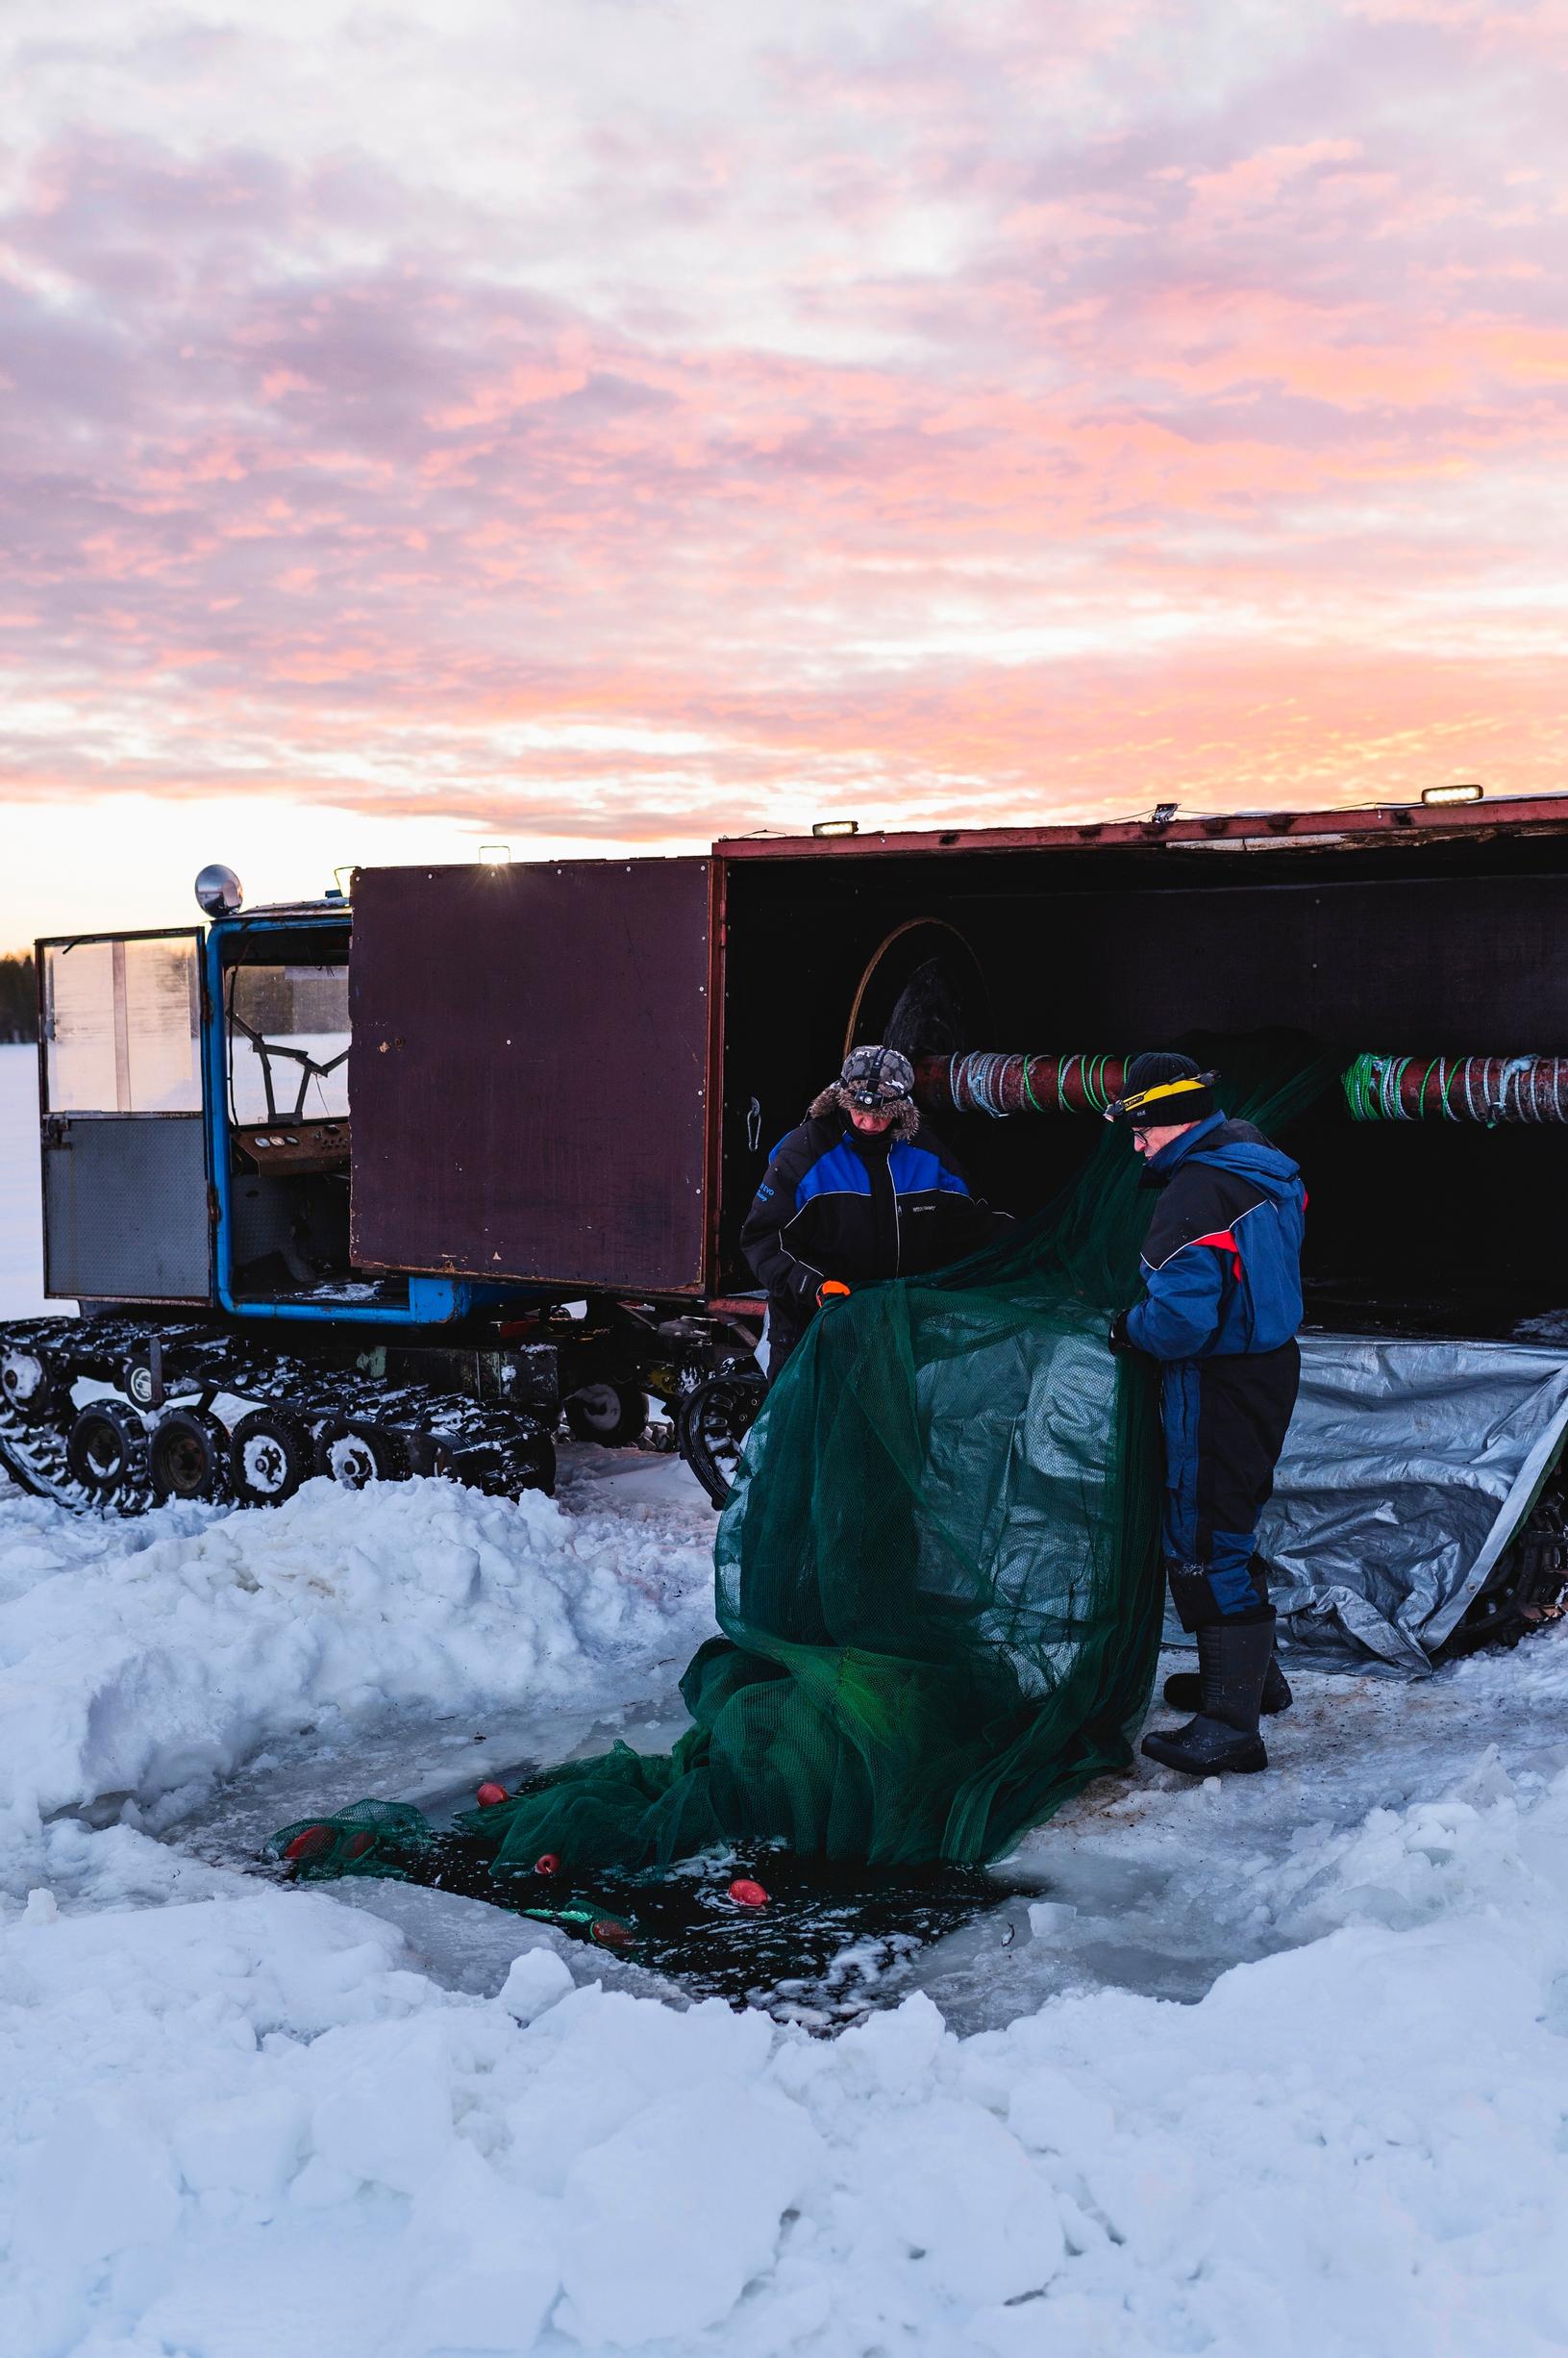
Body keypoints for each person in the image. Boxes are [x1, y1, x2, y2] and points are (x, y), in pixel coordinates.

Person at [1106, 1051, 1306, 1775]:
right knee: (1233, 1520)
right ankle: (1256, 1684)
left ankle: (1229, 1727)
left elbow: (1180, 1324)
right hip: (1269, 1368)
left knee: (1202, 1535)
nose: (1136, 1145)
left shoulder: (1193, 1195)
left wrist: (1128, 1328)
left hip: (1214, 1382)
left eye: (1140, 1130)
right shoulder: (1260, 1157)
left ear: (1165, 1120)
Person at [740, 1044, 1006, 1378]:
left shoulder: (927, 1154)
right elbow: (763, 1240)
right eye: (858, 1111)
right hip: (811, 1330)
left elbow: (971, 1223)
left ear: (901, 1110)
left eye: (880, 1115)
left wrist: (1027, 1241)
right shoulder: (803, 1153)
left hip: (891, 1329)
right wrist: (815, 1287)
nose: (867, 1123)